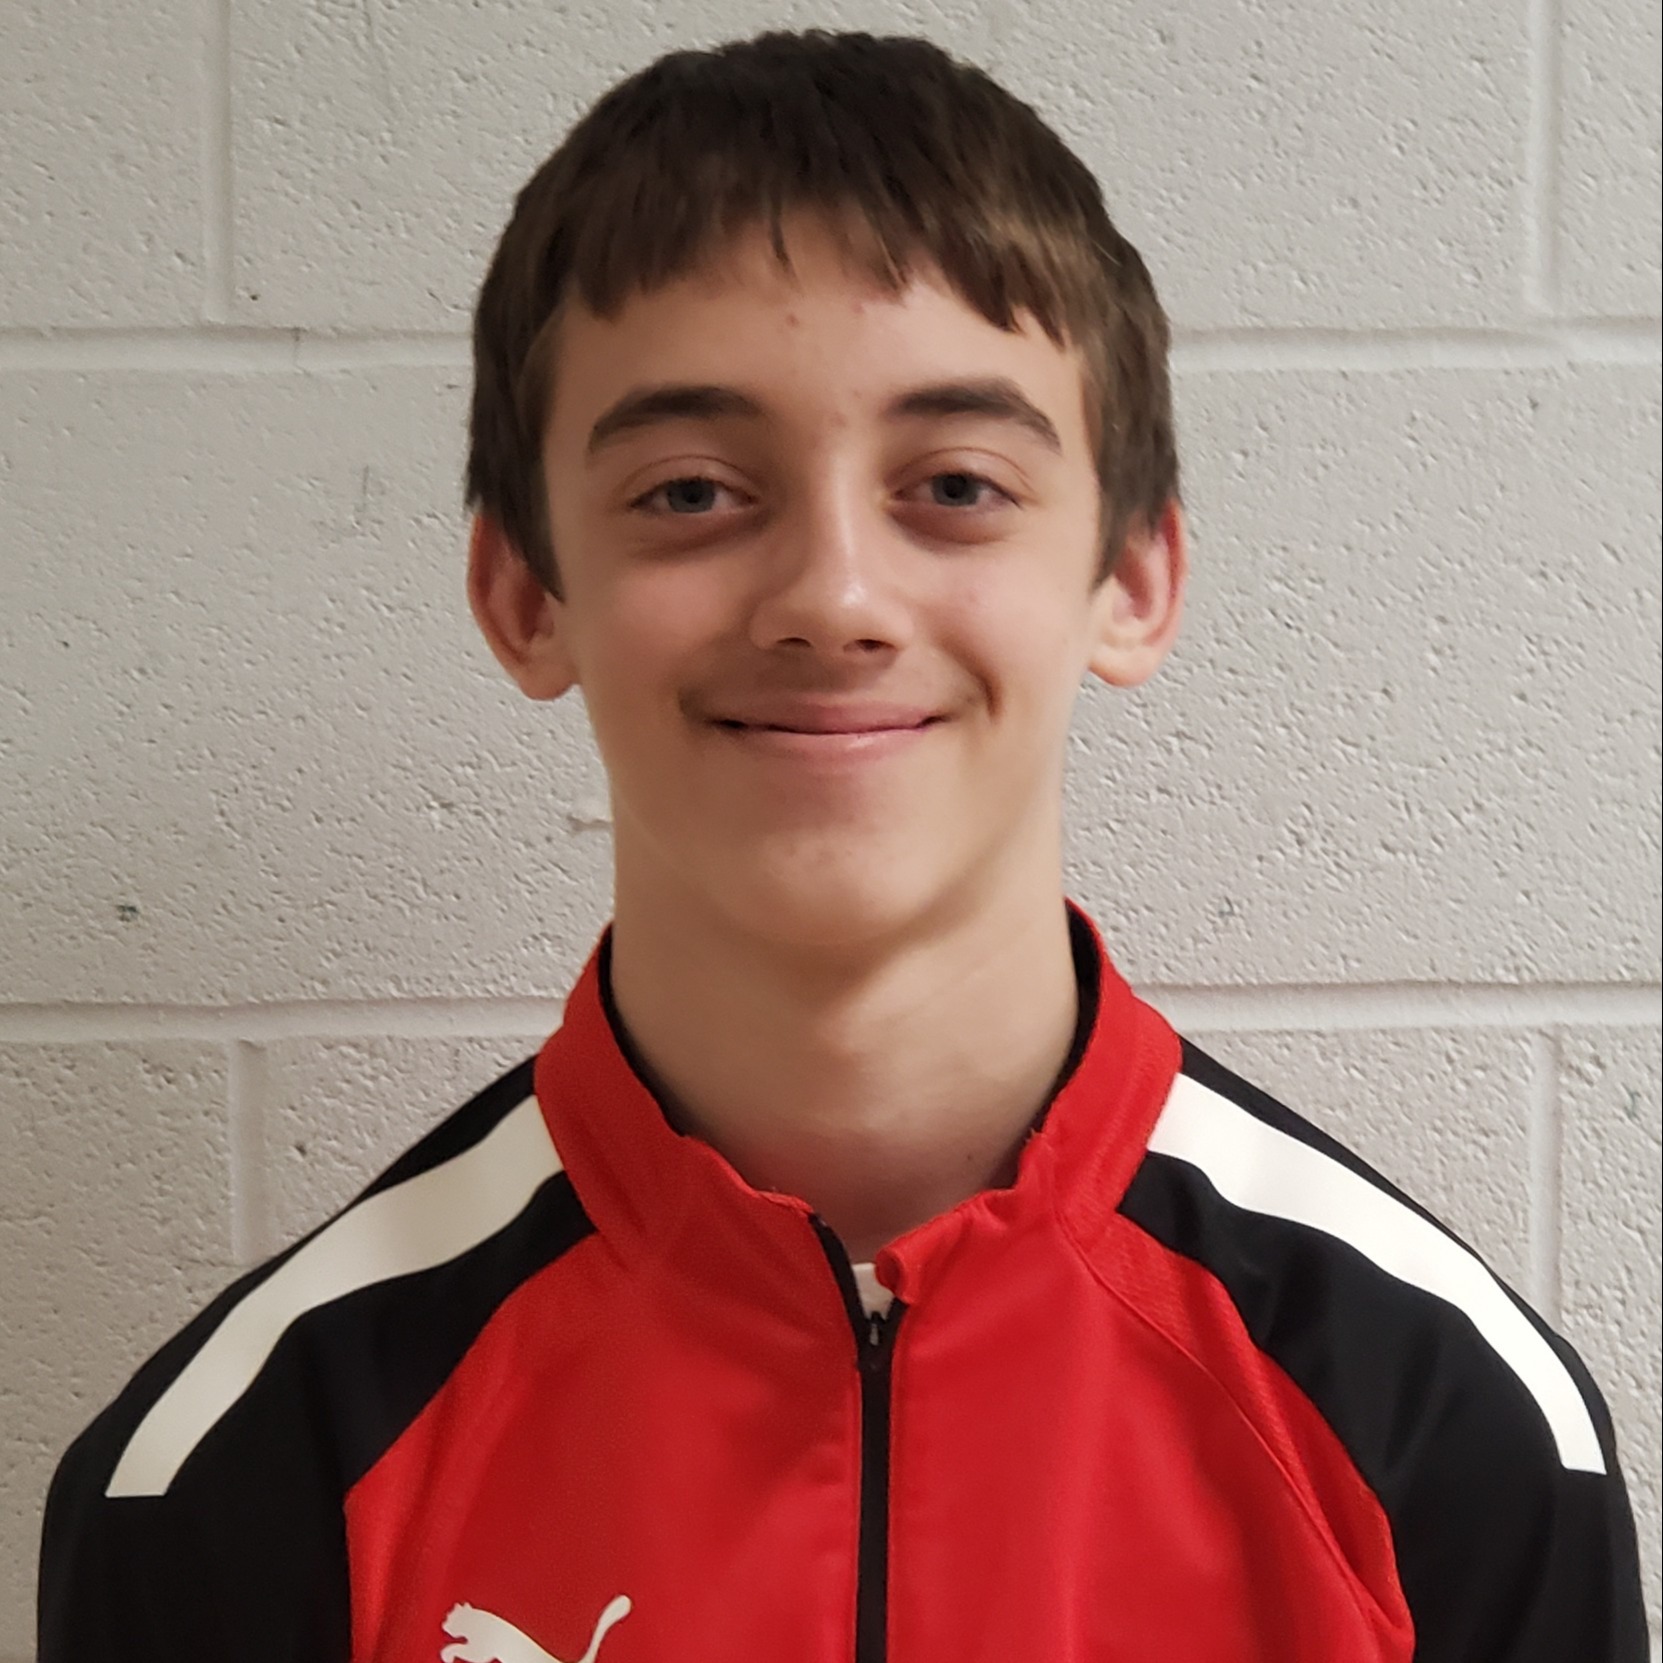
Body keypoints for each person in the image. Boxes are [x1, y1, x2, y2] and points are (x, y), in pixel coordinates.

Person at [37, 26, 1647, 1663]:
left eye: (953, 483)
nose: (833, 600)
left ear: (1132, 580)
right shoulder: (246, 1465)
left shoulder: (1444, 1424)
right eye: (687, 493)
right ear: (527, 595)